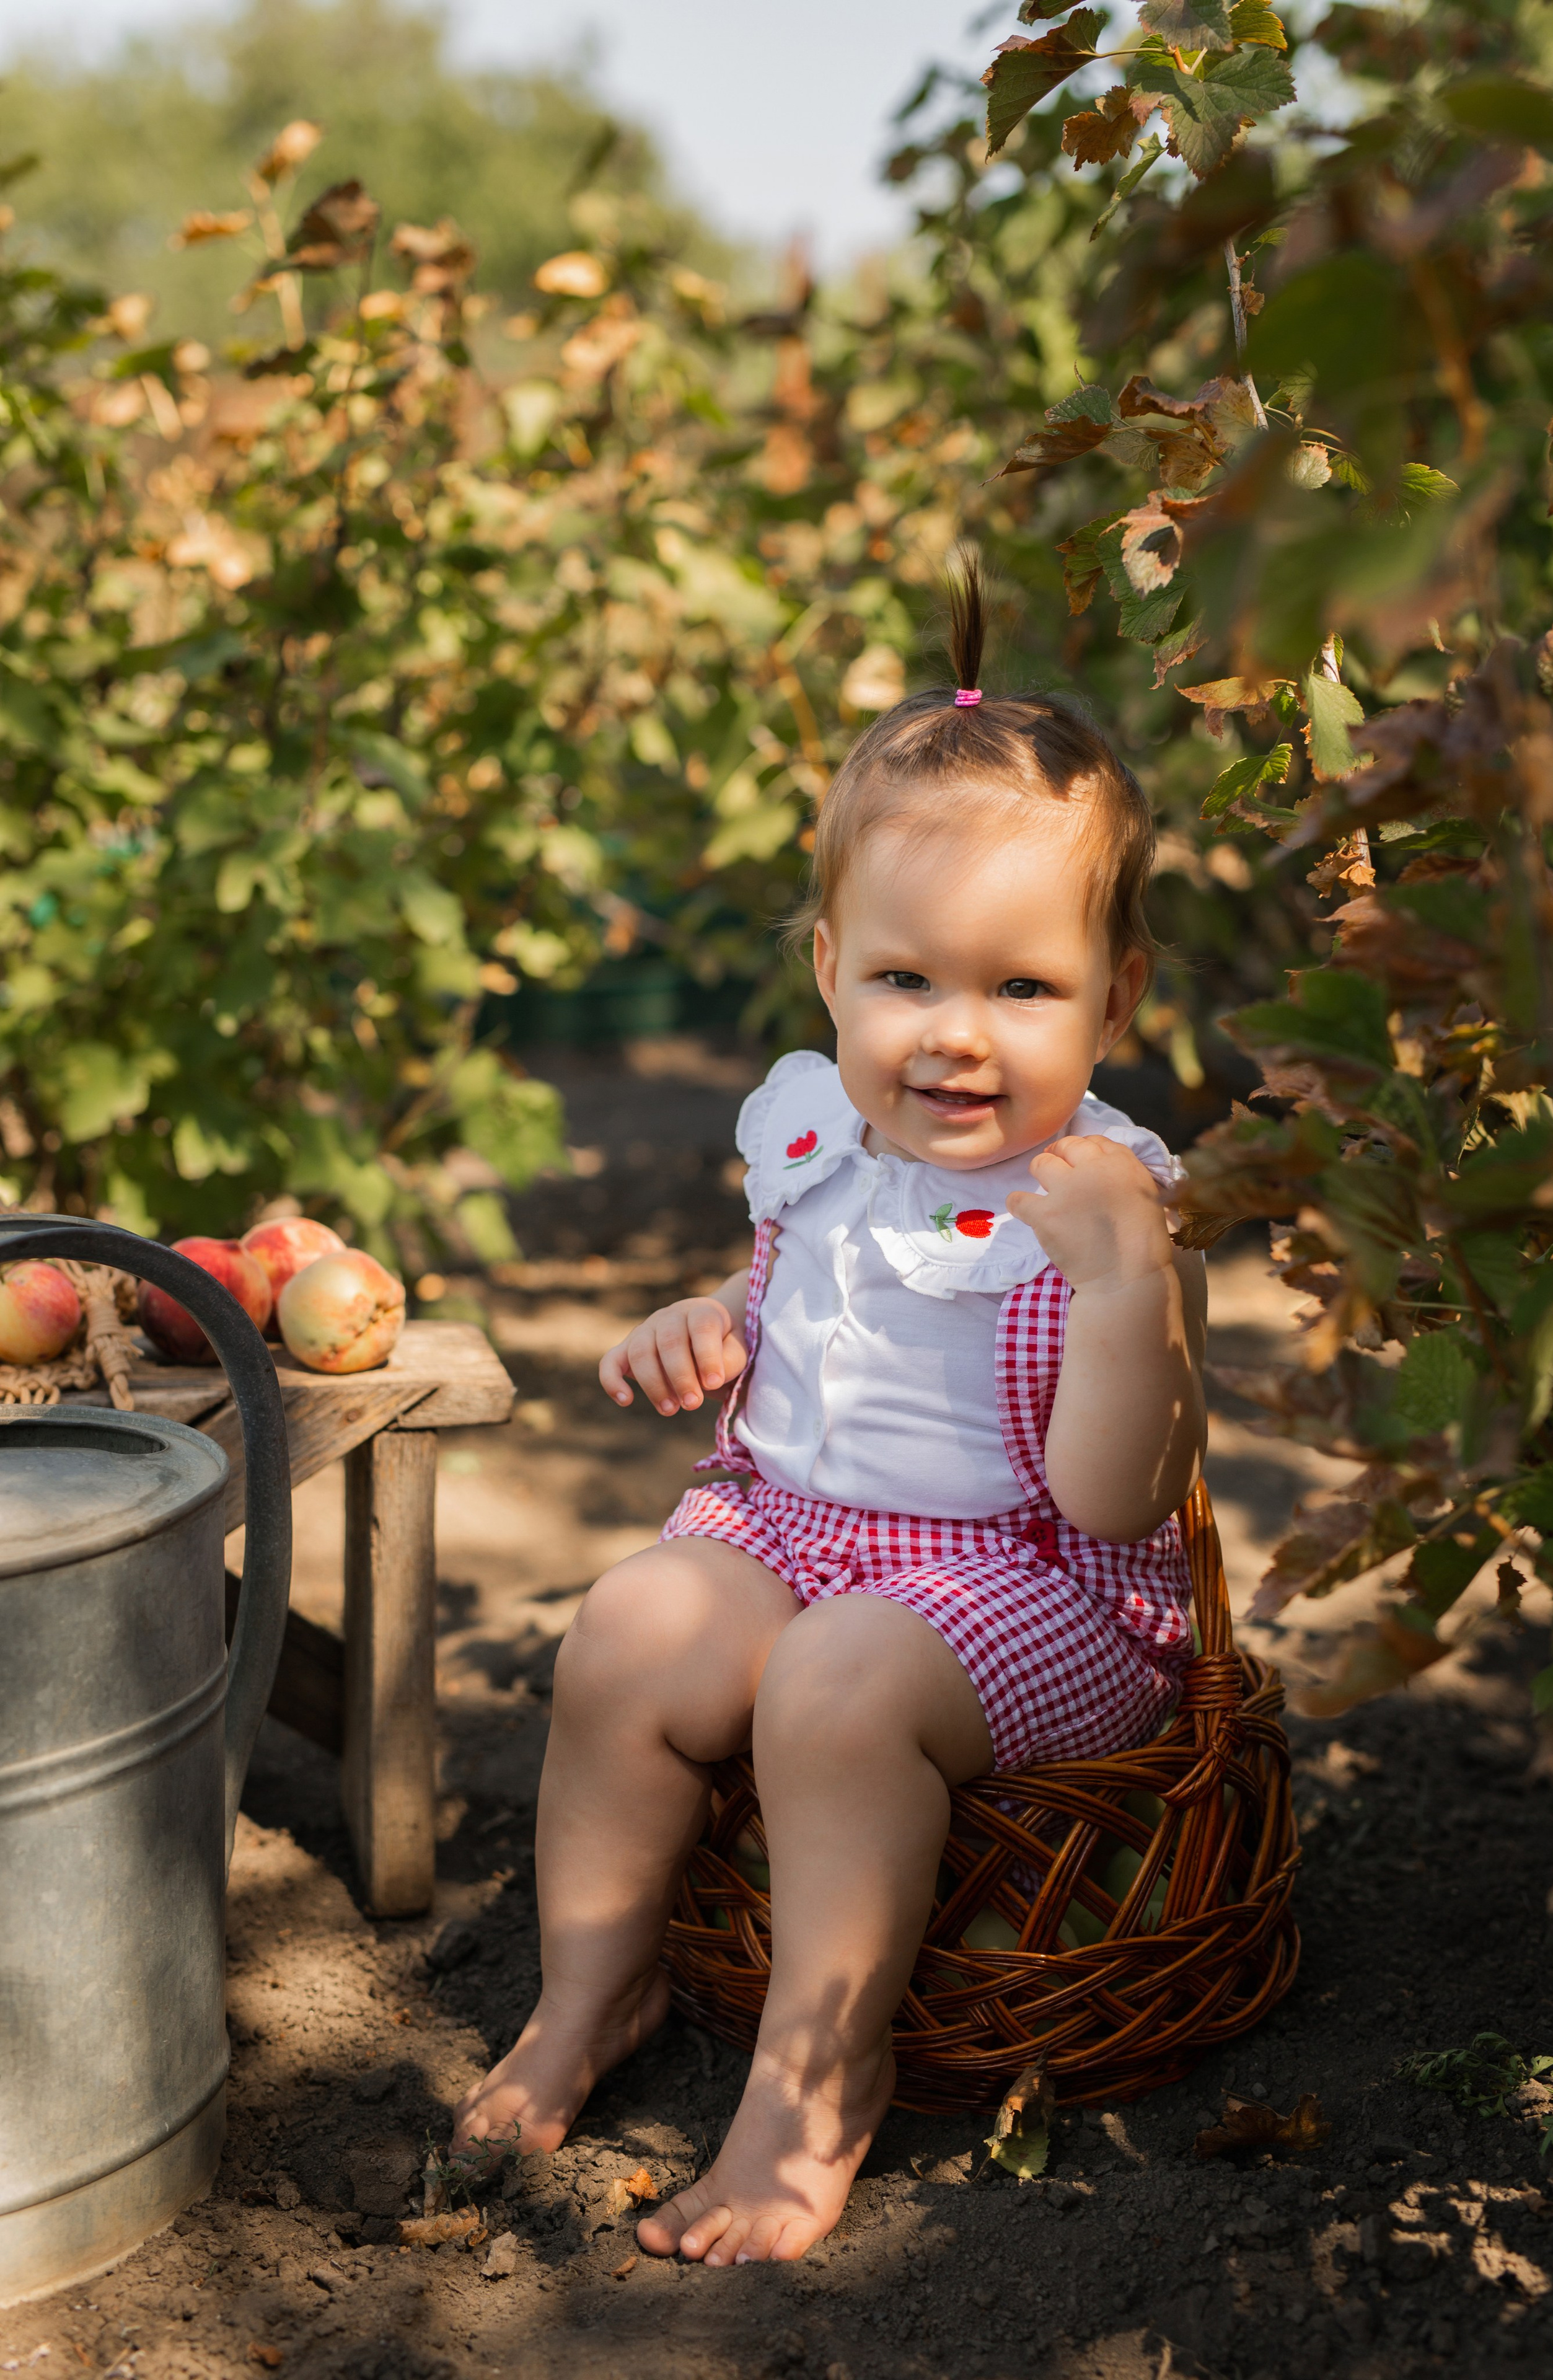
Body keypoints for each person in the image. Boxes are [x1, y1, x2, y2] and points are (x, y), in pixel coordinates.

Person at [451, 562, 1207, 2267]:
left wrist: (1126, 1290)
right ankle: (593, 1989)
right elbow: (794, 1313)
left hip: (1028, 1582)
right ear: (829, 972)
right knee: (636, 1622)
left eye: (1023, 990)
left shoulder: (1111, 1201)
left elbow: (1110, 1501)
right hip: (792, 1532)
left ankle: (815, 2080)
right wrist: (705, 1325)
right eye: (904, 982)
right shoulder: (819, 1149)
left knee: (841, 1677)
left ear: (1120, 995)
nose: (954, 1036)